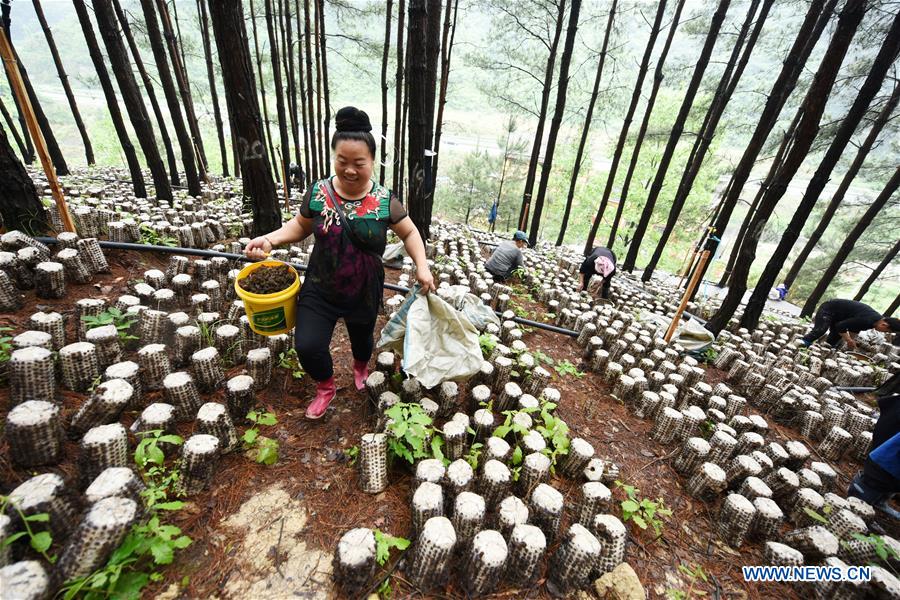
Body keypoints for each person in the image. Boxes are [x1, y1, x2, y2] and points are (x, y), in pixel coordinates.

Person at [245, 106, 435, 419]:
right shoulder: (318, 193)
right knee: (307, 345)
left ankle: (360, 368)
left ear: (372, 162)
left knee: (362, 341)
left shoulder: (385, 201)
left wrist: (422, 266)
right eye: (342, 161)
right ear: (334, 157)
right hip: (321, 285)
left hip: (364, 288)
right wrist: (270, 240)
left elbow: (410, 232)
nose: (349, 170)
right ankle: (325, 387)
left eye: (358, 163)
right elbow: (300, 226)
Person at [800, 299, 900, 349]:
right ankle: (801, 345)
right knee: (820, 330)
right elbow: (841, 326)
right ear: (884, 325)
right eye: (886, 331)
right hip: (829, 309)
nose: (884, 332)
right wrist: (848, 340)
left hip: (840, 317)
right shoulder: (868, 320)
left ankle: (820, 352)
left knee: (834, 338)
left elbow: (854, 328)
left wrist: (851, 342)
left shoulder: (873, 322)